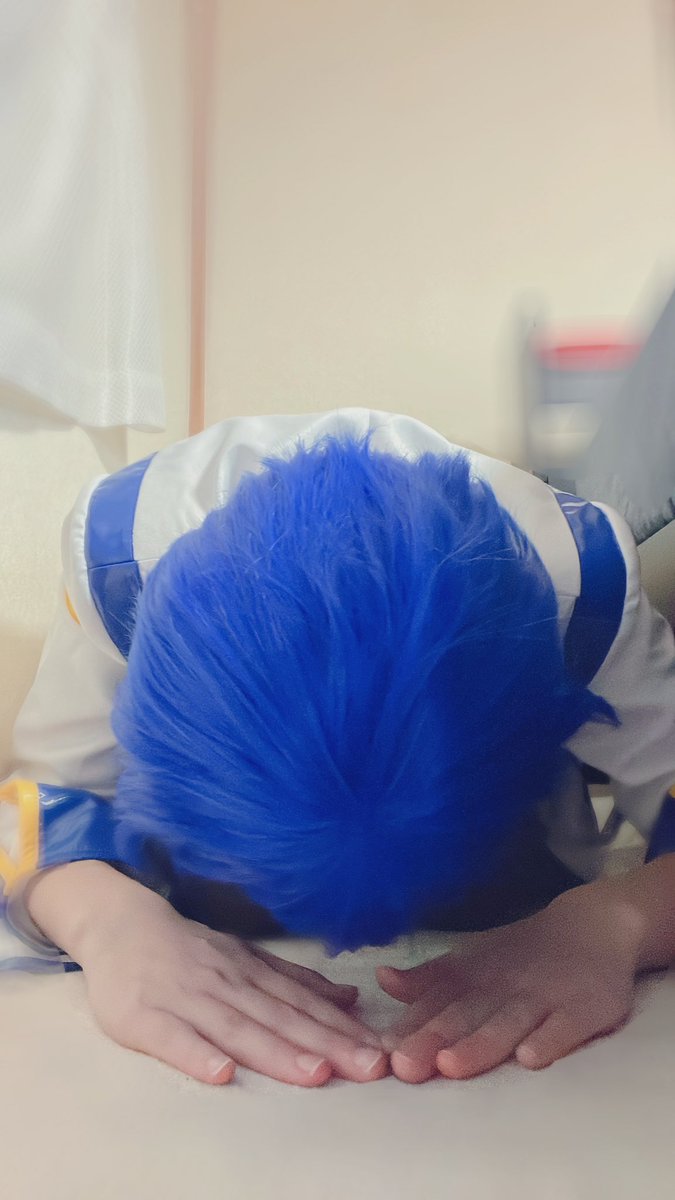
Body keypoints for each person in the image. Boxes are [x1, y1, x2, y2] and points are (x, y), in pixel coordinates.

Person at [1, 407, 674, 1088]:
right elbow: (44, 798)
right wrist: (107, 923)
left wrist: (619, 921)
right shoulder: (116, 562)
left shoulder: (583, 586)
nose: (356, 947)